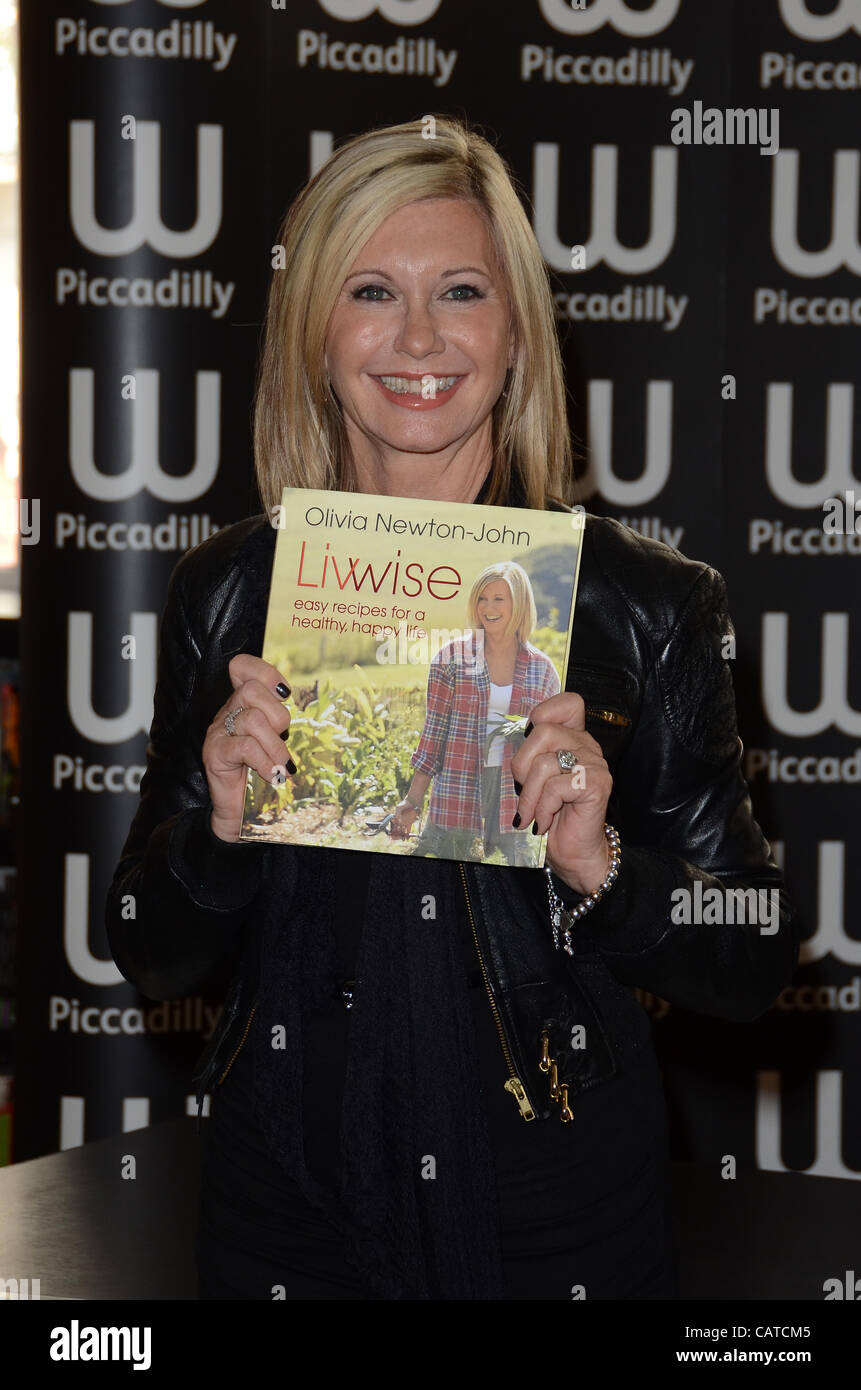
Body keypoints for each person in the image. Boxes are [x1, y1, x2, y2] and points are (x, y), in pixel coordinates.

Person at [106, 116, 797, 1302]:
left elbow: (749, 951)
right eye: (372, 289)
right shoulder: (230, 591)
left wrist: (604, 864)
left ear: (516, 333)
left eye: (461, 291)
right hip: (287, 1211)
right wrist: (216, 835)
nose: (419, 336)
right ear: (313, 334)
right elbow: (143, 938)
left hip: (555, 1221)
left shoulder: (649, 607)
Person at [393, 561, 560, 866]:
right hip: (458, 784)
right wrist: (412, 800)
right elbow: (434, 733)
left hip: (514, 791)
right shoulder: (452, 658)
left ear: (519, 604)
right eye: (482, 598)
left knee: (515, 879)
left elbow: (549, 746)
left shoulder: (542, 669)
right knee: (439, 868)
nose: (488, 607)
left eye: (498, 599)